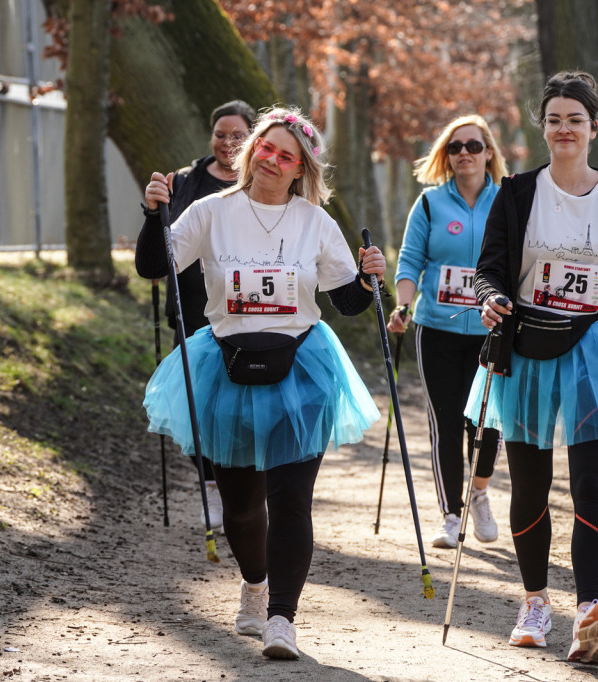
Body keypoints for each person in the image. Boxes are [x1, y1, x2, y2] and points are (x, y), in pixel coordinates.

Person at [135, 105, 385, 660]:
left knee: (292, 500)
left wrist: (371, 278)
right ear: (252, 151)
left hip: (302, 366)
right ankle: (255, 583)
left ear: (301, 169)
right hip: (227, 365)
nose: (271, 160)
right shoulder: (210, 210)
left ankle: (282, 620)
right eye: (265, 149)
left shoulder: (316, 221)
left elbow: (347, 302)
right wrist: (153, 214)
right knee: (243, 508)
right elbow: (156, 269)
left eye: (286, 155)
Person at [468, 71, 598, 665]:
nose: (564, 129)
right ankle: (534, 603)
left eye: (575, 119)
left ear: (593, 128)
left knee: (591, 483)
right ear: (543, 126)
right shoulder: (517, 193)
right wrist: (489, 298)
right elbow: (491, 268)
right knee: (529, 483)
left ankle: (589, 609)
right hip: (528, 345)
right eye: (554, 119)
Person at [387, 115, 506, 549]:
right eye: (455, 148)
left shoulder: (507, 200)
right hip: (436, 327)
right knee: (447, 421)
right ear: (446, 155)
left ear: (488, 152)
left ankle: (478, 492)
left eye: (473, 146)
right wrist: (402, 304)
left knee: (488, 423)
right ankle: (451, 515)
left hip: (492, 330)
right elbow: (410, 262)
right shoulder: (431, 204)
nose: (464, 154)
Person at [138, 100, 256, 529]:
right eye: (220, 134)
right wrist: (153, 212)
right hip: (190, 310)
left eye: (237, 135)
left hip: (242, 310)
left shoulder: (260, 180)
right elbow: (164, 238)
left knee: (238, 403)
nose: (227, 143)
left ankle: (236, 486)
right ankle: (210, 479)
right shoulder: (187, 181)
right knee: (191, 402)